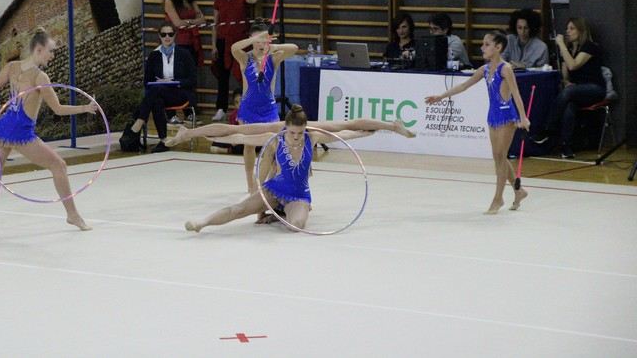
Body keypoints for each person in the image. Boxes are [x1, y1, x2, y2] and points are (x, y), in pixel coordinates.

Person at [165, 105, 415, 233]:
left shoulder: (313, 136)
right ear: (285, 129)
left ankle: (278, 213)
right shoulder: (274, 137)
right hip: (275, 189)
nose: (296, 138)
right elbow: (236, 137)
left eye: (300, 133)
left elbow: (346, 132)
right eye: (293, 133)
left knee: (298, 225)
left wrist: (366, 133)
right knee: (238, 208)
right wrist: (201, 136)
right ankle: (202, 223)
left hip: (298, 194)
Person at [0, 28, 95, 235]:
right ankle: (72, 215)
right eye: (50, 51)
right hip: (20, 133)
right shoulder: (40, 77)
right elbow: (58, 109)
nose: (52, 56)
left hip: (1, 128)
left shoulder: (11, 67)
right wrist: (85, 108)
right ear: (39, 49)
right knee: (59, 165)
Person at [425, 30, 530, 214]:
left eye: (487, 44)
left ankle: (498, 199)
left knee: (500, 157)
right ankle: (518, 191)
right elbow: (464, 85)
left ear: (498, 47)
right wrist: (441, 96)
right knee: (499, 157)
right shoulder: (485, 69)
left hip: (507, 116)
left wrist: (523, 117)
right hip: (493, 116)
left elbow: (516, 93)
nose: (482, 47)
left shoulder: (505, 68)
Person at [231, 23, 298, 193]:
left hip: (268, 109)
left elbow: (294, 48)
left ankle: (268, 181)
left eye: (264, 40)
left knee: (273, 145)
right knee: (249, 145)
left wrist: (273, 45)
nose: (261, 44)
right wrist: (254, 39)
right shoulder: (245, 58)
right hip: (249, 108)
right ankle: (250, 184)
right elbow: (234, 47)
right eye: (258, 40)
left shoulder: (273, 58)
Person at [531, 18, 605, 158]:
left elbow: (573, 65)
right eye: (567, 29)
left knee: (569, 93)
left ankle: (548, 129)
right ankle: (566, 146)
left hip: (594, 88)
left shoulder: (590, 47)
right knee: (569, 105)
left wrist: (562, 46)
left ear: (581, 31)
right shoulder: (569, 50)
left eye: (572, 28)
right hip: (576, 91)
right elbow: (566, 75)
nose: (568, 32)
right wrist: (566, 81)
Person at [120, 23, 197, 153]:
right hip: (161, 94)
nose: (167, 37)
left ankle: (139, 121)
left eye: (170, 34)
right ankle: (163, 140)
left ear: (175, 36)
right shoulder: (154, 56)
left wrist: (174, 81)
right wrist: (160, 84)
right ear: (159, 36)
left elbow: (192, 80)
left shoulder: (184, 54)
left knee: (156, 91)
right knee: (156, 99)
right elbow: (147, 81)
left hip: (180, 92)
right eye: (163, 34)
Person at [211, 0, 258, 121]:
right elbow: (215, 24)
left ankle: (248, 105)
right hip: (223, 41)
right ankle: (221, 108)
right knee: (223, 77)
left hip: (240, 41)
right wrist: (214, 45)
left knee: (243, 74)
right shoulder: (219, 1)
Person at [164, 0, 206, 67]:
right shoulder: (169, 1)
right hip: (178, 42)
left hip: (192, 41)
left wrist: (188, 22)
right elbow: (178, 23)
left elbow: (203, 20)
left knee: (193, 73)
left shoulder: (191, 0)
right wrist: (194, 22)